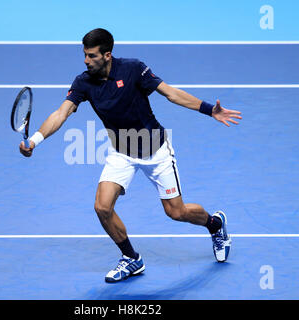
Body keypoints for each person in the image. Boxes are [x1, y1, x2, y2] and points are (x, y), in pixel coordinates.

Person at [20, 28, 242, 283]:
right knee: (102, 207)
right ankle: (131, 258)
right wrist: (35, 140)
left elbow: (170, 93)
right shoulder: (83, 82)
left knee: (176, 212)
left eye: (91, 56)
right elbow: (61, 113)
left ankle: (214, 224)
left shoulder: (133, 69)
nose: (85, 60)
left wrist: (208, 110)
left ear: (107, 55)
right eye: (84, 55)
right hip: (121, 152)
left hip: (155, 150)